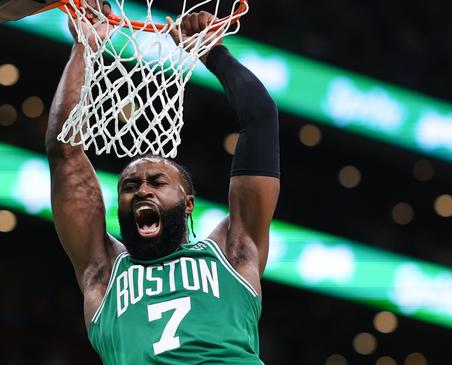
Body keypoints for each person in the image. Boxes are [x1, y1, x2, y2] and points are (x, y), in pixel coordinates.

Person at [44, 2, 280, 363]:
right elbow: (65, 151)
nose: (142, 189)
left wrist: (212, 51)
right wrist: (85, 47)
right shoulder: (104, 273)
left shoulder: (232, 253)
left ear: (188, 203)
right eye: (130, 186)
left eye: (157, 182)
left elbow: (261, 118)